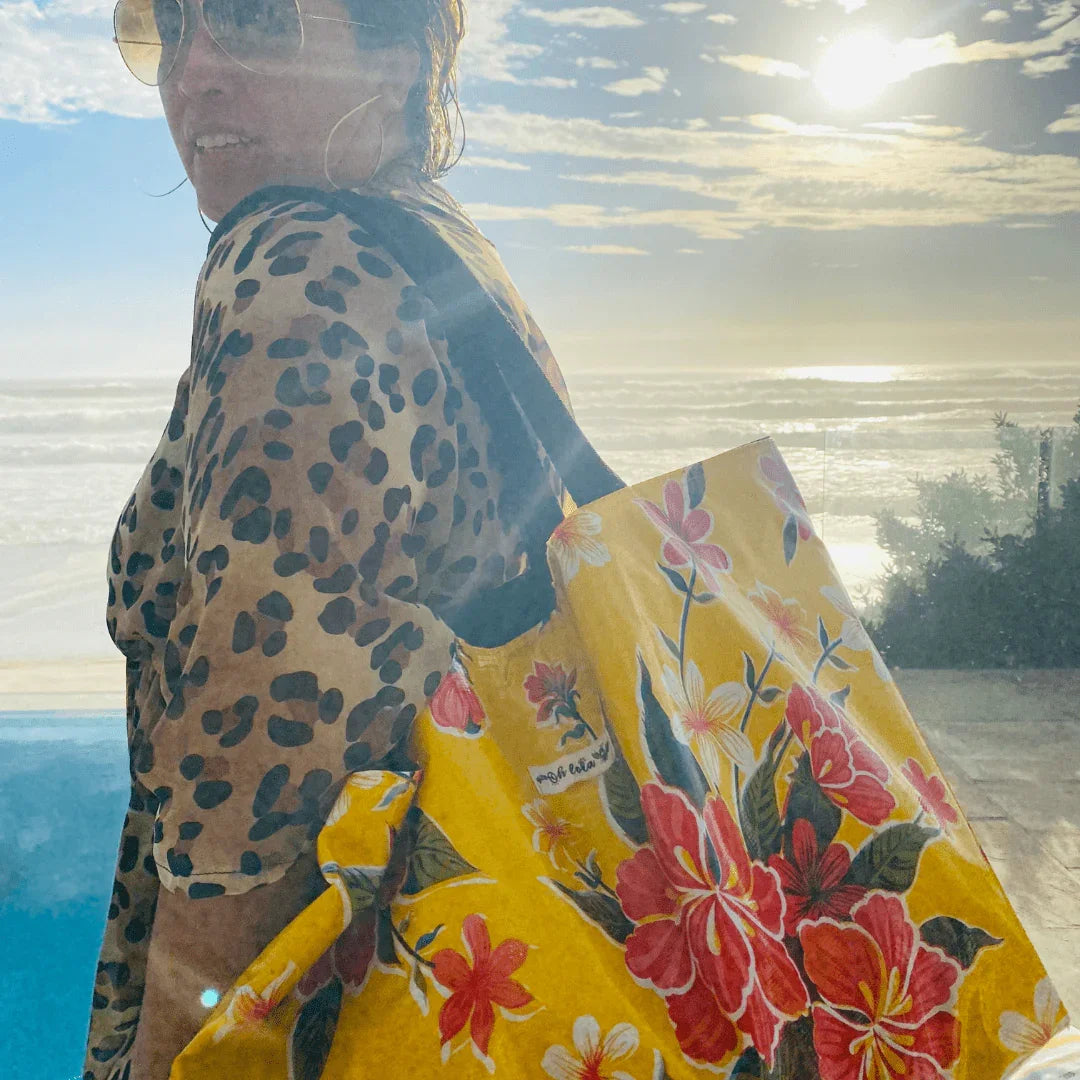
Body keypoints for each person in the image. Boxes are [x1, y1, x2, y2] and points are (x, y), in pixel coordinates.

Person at [82, 0, 572, 1076]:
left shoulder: (294, 263)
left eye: (255, 17)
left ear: (402, 57)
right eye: (171, 24)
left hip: (331, 983)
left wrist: (173, 1041)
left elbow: (257, 734)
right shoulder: (434, 242)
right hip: (479, 956)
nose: (193, 71)